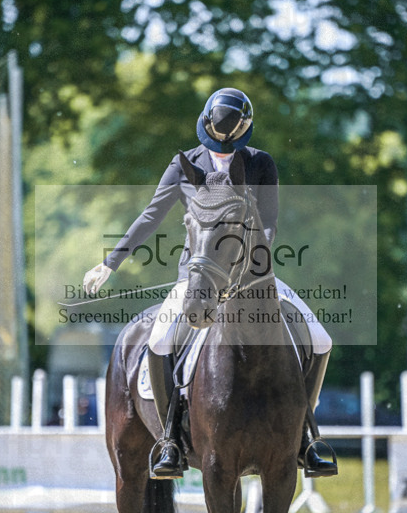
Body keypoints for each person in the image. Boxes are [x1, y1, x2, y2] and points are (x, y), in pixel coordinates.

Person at [83, 88, 333, 478]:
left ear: (242, 132)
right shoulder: (184, 165)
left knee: (320, 338)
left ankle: (304, 434)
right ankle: (169, 439)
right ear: (206, 124)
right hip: (198, 276)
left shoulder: (260, 164)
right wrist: (110, 262)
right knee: (160, 339)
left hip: (253, 274)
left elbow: (269, 221)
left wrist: (254, 262)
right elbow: (151, 215)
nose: (221, 141)